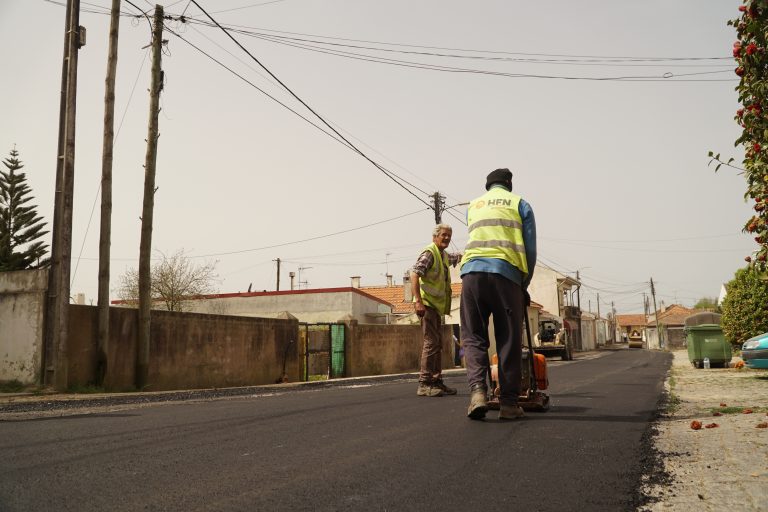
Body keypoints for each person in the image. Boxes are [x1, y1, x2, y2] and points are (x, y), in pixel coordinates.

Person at [459, 168, 537, 420]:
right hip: (506, 276)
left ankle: (479, 393)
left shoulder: (473, 206)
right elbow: (530, 250)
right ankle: (508, 404)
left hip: (472, 275)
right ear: (509, 185)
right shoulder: (520, 205)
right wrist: (523, 285)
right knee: (508, 338)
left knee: (473, 337)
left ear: (487, 186)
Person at [410, 223, 461, 397]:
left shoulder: (443, 255)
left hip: (435, 307)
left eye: (449, 235)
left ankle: (436, 381)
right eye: (444, 235)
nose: (447, 238)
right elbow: (414, 273)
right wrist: (418, 301)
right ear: (435, 236)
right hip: (427, 305)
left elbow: (456, 257)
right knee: (431, 343)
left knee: (437, 343)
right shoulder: (430, 253)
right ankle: (424, 383)